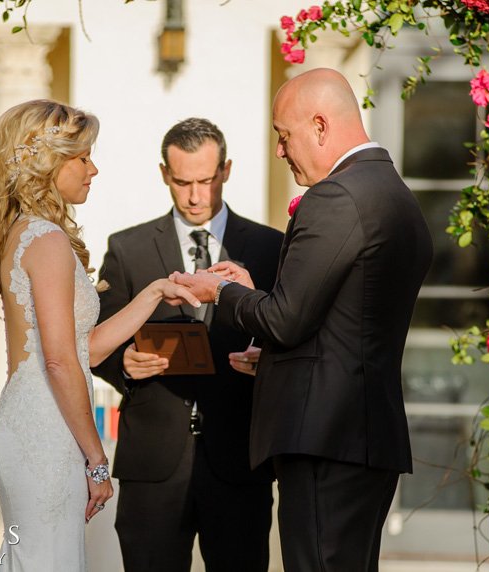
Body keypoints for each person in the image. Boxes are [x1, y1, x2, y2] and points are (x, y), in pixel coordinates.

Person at [172, 69, 434, 571]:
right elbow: (346, 322)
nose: (279, 150)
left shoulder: (337, 196)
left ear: (319, 125)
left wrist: (221, 290)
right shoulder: (394, 193)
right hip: (364, 436)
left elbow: (287, 320)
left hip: (326, 438)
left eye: (282, 135)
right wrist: (271, 353)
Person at [0, 100, 199, 571]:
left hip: (29, 420)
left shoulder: (27, 232)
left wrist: (155, 292)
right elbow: (60, 361)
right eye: (83, 157)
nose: (93, 169)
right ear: (49, 161)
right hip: (46, 432)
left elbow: (86, 347)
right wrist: (97, 459)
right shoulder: (48, 240)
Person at [92, 118, 283, 572]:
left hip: (240, 462)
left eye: (206, 180)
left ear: (227, 170)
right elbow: (97, 340)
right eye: (182, 182)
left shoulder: (271, 246)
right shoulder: (128, 248)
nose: (196, 196)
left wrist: (269, 360)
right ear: (164, 174)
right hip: (152, 465)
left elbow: (289, 328)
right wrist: (124, 364)